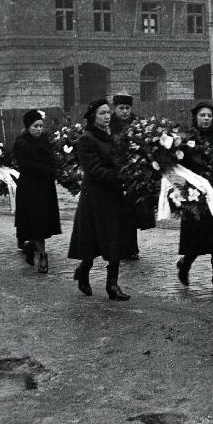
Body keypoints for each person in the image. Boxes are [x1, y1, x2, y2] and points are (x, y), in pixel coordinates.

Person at [68, 98, 133, 301]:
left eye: (108, 112)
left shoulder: (113, 135)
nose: (106, 116)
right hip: (95, 197)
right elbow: (94, 169)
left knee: (115, 239)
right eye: (102, 113)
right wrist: (119, 177)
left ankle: (112, 285)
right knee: (93, 241)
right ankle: (83, 271)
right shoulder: (87, 139)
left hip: (114, 195)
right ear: (92, 117)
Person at [175, 102, 213, 293]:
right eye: (202, 115)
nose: (206, 119)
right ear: (195, 118)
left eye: (209, 116)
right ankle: (185, 264)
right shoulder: (187, 140)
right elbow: (179, 165)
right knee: (196, 236)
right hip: (194, 195)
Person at [12, 110, 61, 275]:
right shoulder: (21, 143)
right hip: (30, 188)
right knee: (37, 223)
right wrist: (48, 170)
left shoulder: (45, 140)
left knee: (42, 223)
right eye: (35, 126)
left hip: (46, 188)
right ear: (28, 127)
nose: (39, 129)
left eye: (41, 126)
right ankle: (43, 256)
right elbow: (25, 165)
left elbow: (52, 158)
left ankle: (31, 246)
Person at [109, 91, 149, 260]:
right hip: (114, 173)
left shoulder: (137, 124)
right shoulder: (109, 124)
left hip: (133, 173)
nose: (125, 111)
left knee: (130, 212)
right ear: (115, 108)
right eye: (121, 108)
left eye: (127, 108)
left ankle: (132, 248)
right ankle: (116, 247)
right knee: (115, 212)